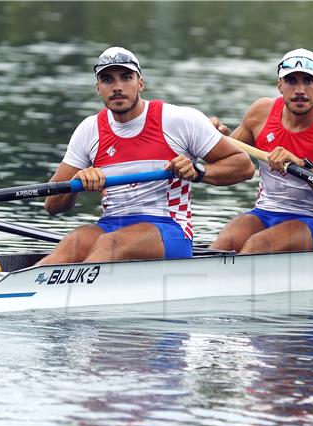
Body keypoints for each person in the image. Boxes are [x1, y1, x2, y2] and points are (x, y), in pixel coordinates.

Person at [38, 47, 253, 265]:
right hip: (110, 224)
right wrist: (77, 184)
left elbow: (244, 166)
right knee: (72, 242)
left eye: (126, 77)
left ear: (140, 82)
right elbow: (52, 205)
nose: (118, 87)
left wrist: (199, 172)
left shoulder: (179, 120)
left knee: (109, 244)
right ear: (98, 88)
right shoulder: (89, 129)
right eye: (107, 80)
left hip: (168, 229)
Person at [209, 48, 313, 254]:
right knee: (225, 243)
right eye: (291, 81)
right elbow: (226, 159)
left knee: (258, 245)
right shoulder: (261, 112)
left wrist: (304, 168)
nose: (300, 90)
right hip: (264, 213)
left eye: (308, 81)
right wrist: (211, 136)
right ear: (280, 85)